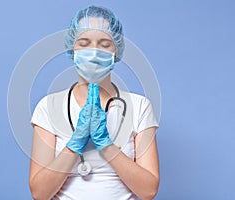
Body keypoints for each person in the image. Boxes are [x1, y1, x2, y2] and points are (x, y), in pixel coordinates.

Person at [29, 5, 159, 200]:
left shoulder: (139, 107)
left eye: (105, 44)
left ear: (116, 51)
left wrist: (106, 145)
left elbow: (148, 191)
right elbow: (39, 193)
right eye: (84, 42)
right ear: (72, 49)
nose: (94, 51)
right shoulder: (48, 107)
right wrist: (75, 143)